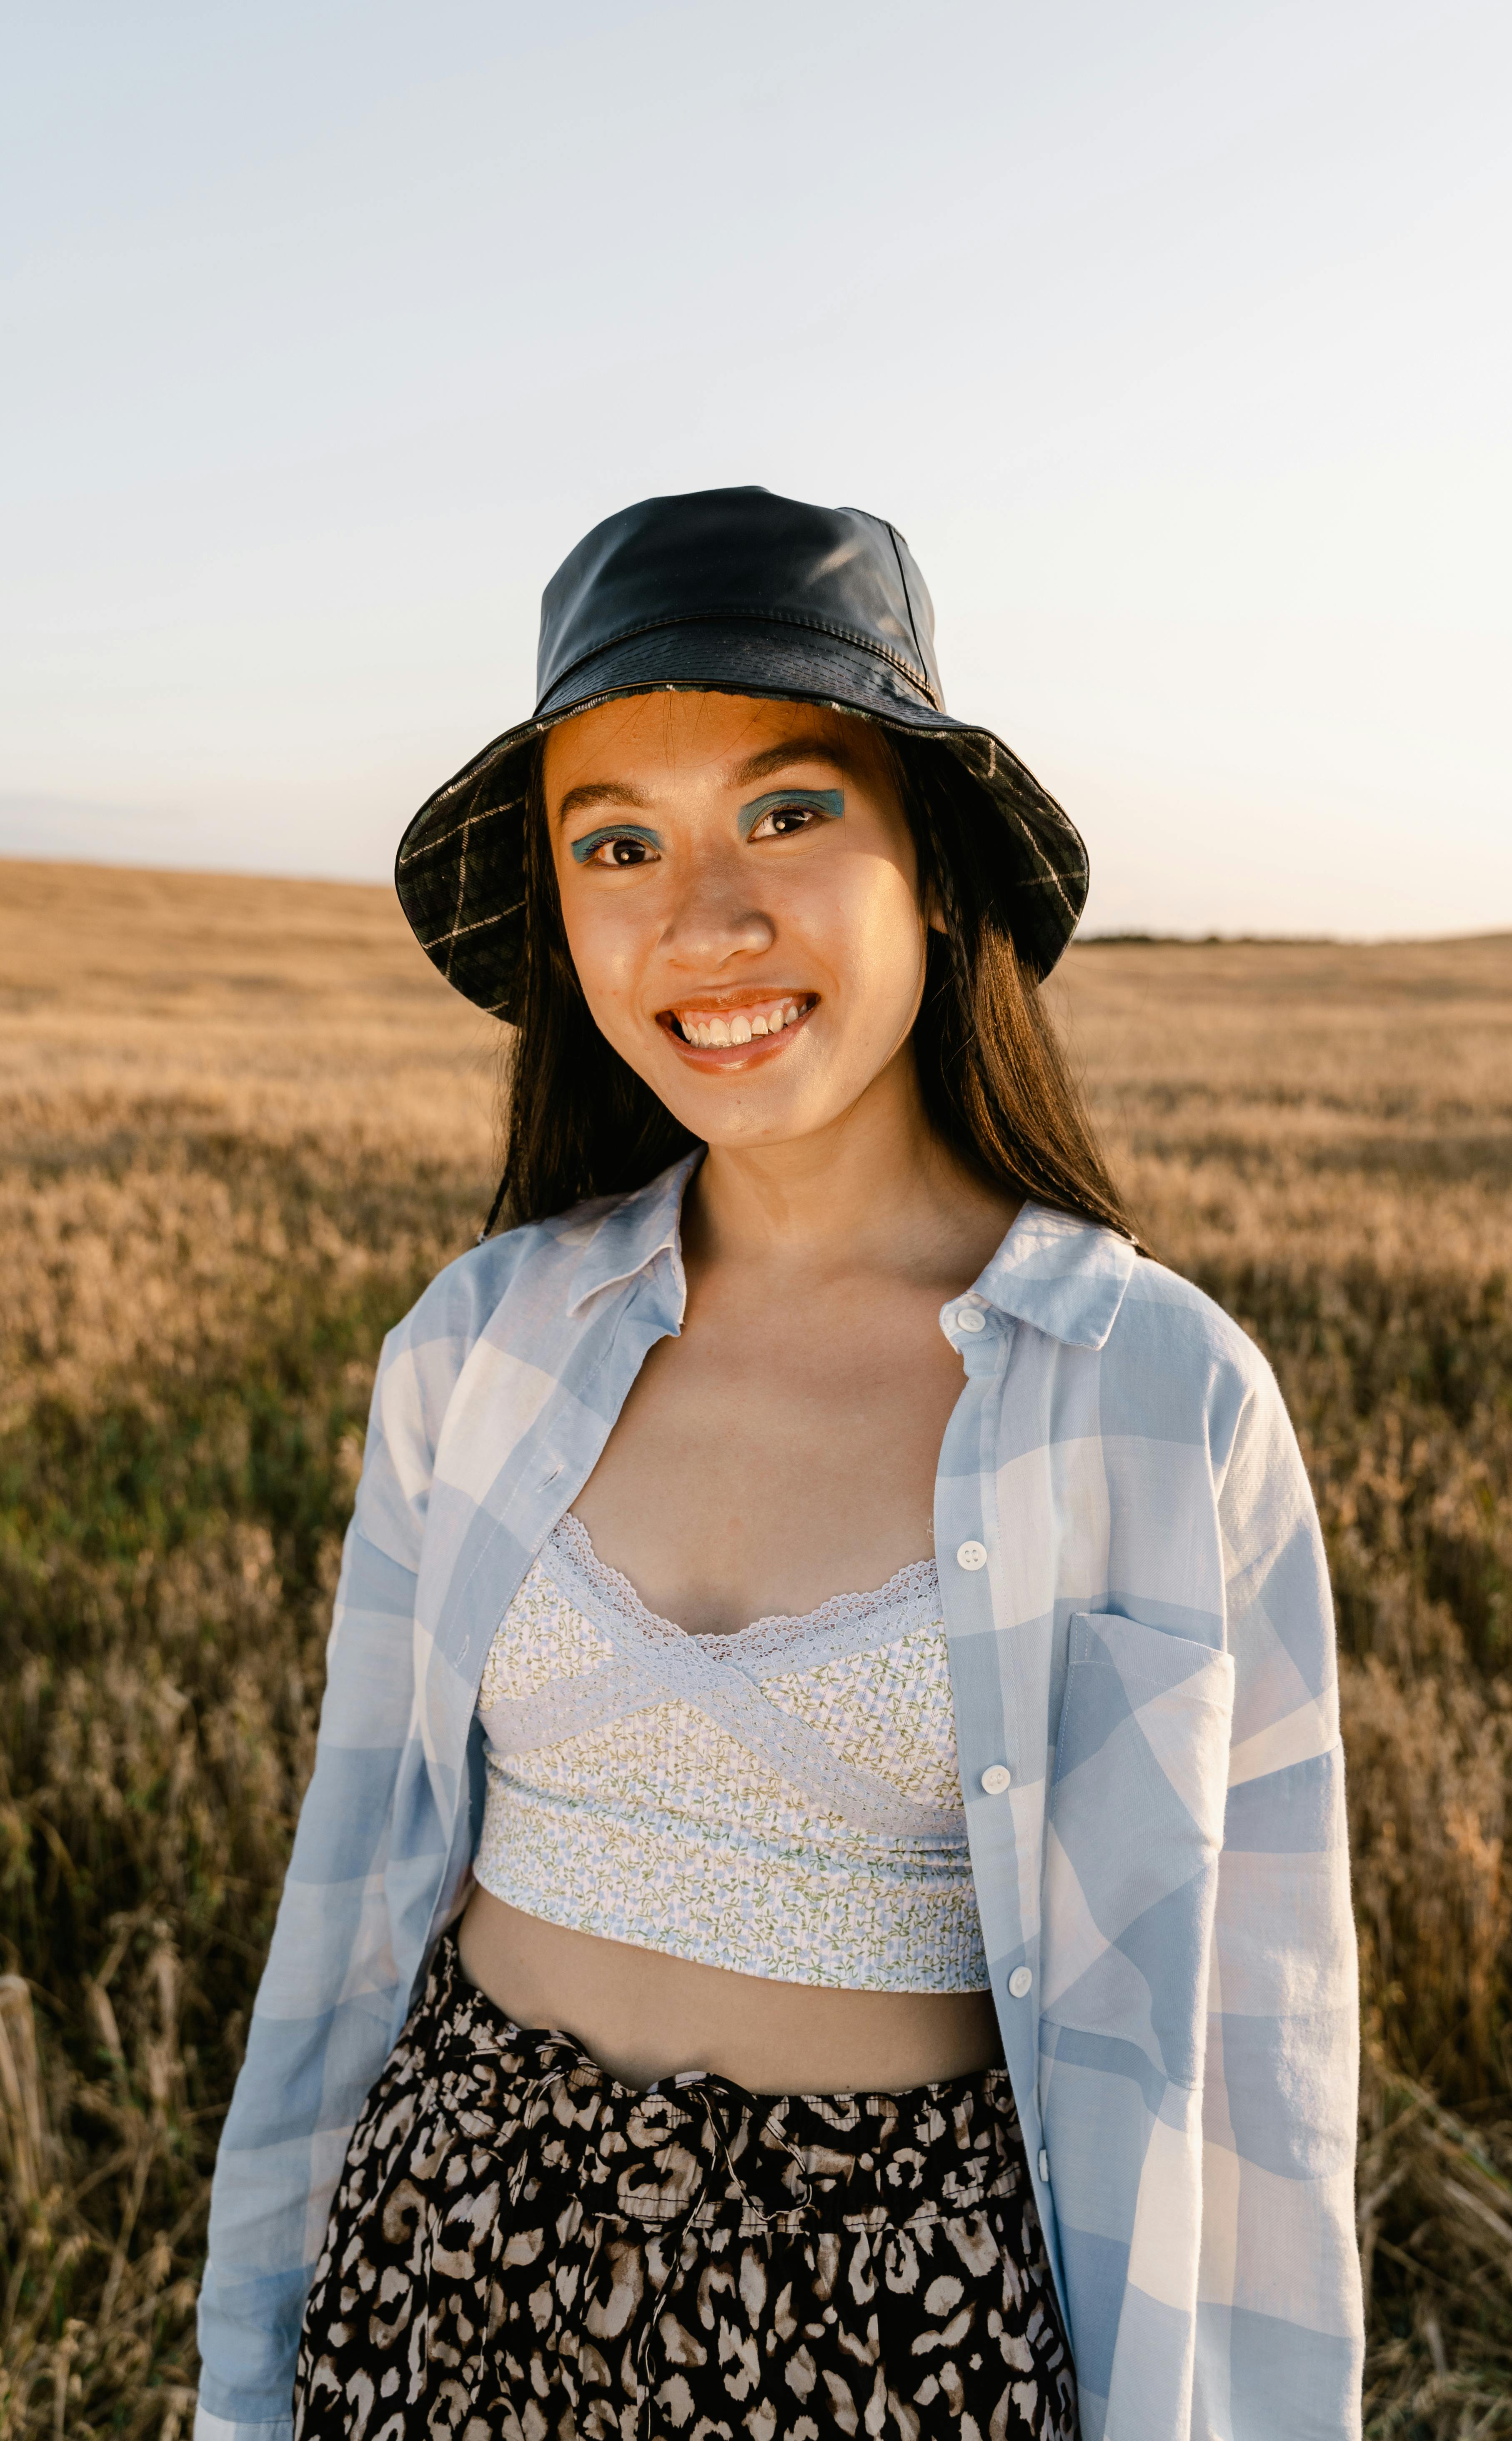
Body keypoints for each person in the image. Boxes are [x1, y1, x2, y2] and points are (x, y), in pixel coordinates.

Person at [195, 487, 1362, 2441]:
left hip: (896, 2338)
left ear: (931, 863)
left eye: (790, 810)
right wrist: (253, 2367)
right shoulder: (474, 1349)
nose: (703, 917)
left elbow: (1251, 2070)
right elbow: (351, 1900)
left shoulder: (1156, 1398)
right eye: (618, 842)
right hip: (444, 2277)